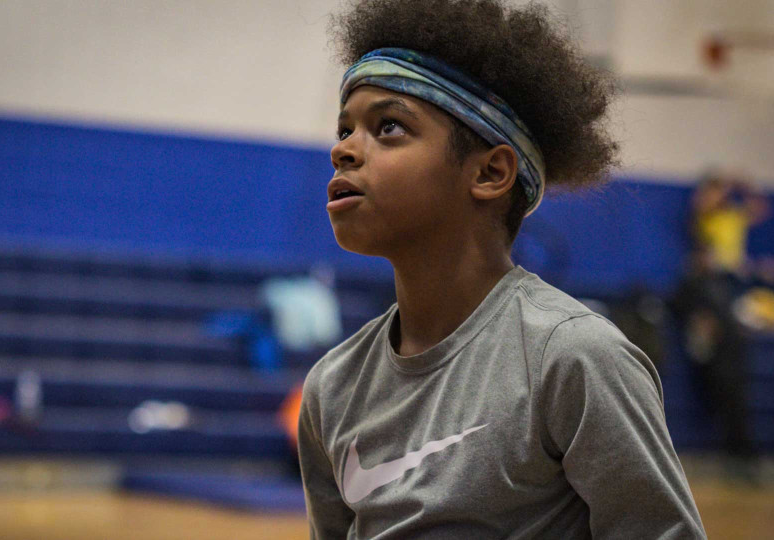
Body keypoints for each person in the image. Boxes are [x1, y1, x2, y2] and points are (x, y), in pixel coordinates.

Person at [297, 1, 706, 538]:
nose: (344, 150)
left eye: (389, 126)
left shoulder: (574, 357)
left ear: (491, 172)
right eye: (344, 129)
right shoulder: (332, 386)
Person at [672, 171, 772, 481]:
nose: (713, 196)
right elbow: (701, 206)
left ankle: (741, 453)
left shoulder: (732, 217)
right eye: (709, 192)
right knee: (721, 378)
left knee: (733, 379)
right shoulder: (703, 222)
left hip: (728, 295)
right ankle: (738, 453)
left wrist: (742, 181)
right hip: (710, 299)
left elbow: (760, 209)